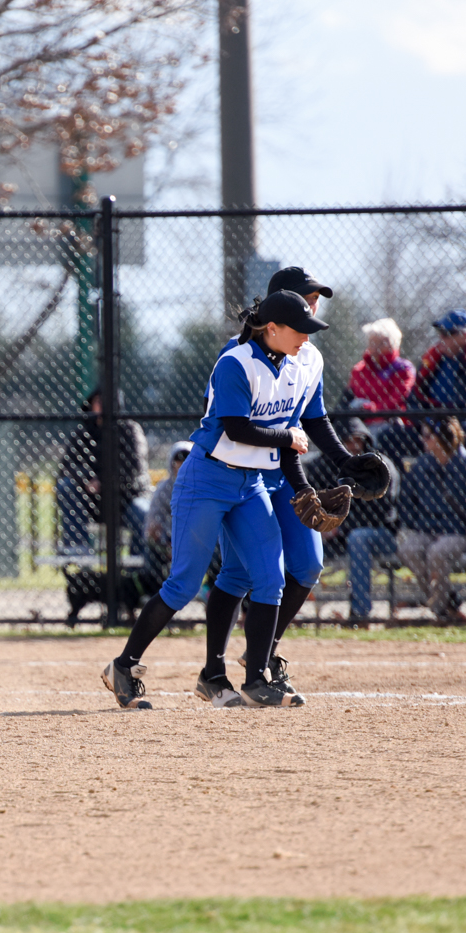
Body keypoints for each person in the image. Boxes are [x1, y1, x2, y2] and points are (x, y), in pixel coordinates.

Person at [101, 289, 330, 711]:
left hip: (250, 484)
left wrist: (302, 487)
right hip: (205, 480)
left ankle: (257, 679)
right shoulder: (236, 362)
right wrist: (287, 437)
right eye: (298, 329)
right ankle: (124, 665)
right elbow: (237, 429)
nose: (305, 337)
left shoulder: (291, 365)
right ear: (273, 329)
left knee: (270, 575)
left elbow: (286, 440)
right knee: (185, 583)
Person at [201, 267, 384, 701]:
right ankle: (215, 670)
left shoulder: (310, 355)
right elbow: (235, 423)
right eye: (305, 299)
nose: (313, 307)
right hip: (242, 473)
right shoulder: (241, 354)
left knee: (308, 566)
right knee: (239, 573)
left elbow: (312, 418)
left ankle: (263, 654)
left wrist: (345, 461)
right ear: (274, 314)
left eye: (316, 299)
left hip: (282, 472)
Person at [396, 418, 466, 625]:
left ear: (443, 439)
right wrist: (423, 525)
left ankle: (441, 611)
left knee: (438, 552)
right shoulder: (422, 467)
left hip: (461, 533)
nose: (423, 440)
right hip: (429, 530)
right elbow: (406, 506)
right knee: (408, 549)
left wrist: (462, 524)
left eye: (428, 436)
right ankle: (449, 604)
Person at [56, 387, 151, 557]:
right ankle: (77, 548)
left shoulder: (130, 430)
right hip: (95, 502)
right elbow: (66, 468)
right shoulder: (83, 433)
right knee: (66, 486)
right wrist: (87, 479)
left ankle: (138, 571)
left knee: (142, 513)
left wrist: (103, 482)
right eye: (98, 402)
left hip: (126, 498)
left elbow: (133, 470)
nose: (102, 406)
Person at [329, 422, 406, 627]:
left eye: (357, 440)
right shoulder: (340, 465)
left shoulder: (380, 467)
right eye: (347, 441)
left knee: (359, 538)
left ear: (366, 441)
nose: (353, 445)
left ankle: (360, 613)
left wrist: (339, 527)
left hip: (386, 535)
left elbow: (379, 514)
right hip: (345, 531)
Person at [408, 309, 466, 455]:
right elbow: (414, 399)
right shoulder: (434, 356)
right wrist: (426, 421)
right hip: (432, 422)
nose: (441, 338)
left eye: (447, 334)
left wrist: (450, 423)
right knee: (389, 436)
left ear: (465, 336)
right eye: (441, 333)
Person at [347, 316, 417, 461]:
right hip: (362, 423)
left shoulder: (403, 369)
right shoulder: (359, 370)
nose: (373, 348)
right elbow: (348, 396)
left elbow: (398, 399)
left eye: (380, 343)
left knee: (386, 437)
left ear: (393, 344)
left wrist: (372, 408)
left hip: (390, 422)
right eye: (371, 343)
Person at [142, 440, 192, 577]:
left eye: (186, 459)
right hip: (169, 539)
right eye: (178, 460)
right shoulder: (164, 489)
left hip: (198, 539)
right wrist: (163, 540)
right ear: (172, 463)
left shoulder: (202, 487)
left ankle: (209, 589)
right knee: (151, 547)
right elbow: (153, 518)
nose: (181, 464)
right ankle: (154, 587)